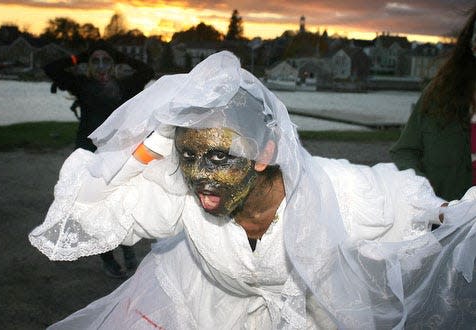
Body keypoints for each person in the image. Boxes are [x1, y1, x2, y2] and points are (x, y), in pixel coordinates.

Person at [30, 51, 476, 329]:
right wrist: (153, 146)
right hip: (202, 314)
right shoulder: (179, 196)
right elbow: (82, 214)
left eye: (219, 157)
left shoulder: (328, 190)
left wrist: (450, 213)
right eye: (188, 156)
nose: (200, 175)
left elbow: (403, 200)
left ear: (265, 151)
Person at [43, 40, 155, 278]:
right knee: (94, 207)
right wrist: (80, 57)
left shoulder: (125, 86)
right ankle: (107, 258)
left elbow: (147, 71)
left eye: (107, 61)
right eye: (96, 61)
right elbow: (51, 69)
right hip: (88, 155)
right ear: (89, 65)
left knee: (119, 204)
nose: (102, 65)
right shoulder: (82, 84)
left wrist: (119, 54)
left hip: (116, 155)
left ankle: (127, 251)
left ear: (114, 65)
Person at [390, 7, 476, 201]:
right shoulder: (439, 94)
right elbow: (405, 152)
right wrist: (426, 198)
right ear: (471, 44)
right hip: (444, 225)